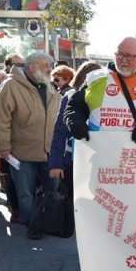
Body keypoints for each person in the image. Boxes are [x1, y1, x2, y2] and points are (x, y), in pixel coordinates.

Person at [0, 52, 60, 240]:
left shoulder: (48, 84)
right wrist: (4, 147)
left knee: (53, 189)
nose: (50, 68)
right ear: (32, 67)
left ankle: (48, 221)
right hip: (21, 153)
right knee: (25, 193)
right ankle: (32, 225)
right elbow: (1, 119)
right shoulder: (10, 86)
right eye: (47, 65)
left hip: (48, 151)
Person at [64, 37, 136, 144]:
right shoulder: (95, 78)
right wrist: (75, 123)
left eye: (129, 56)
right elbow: (74, 107)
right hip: (99, 153)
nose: (124, 60)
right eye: (120, 55)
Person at [49, 61, 102, 204]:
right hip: (74, 161)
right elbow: (60, 131)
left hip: (99, 161)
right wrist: (56, 164)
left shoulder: (107, 98)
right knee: (77, 204)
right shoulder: (71, 95)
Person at [0, 53, 24, 221]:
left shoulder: (27, 82)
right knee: (10, 177)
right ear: (8, 66)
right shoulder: (0, 83)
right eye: (17, 64)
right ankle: (16, 209)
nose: (21, 67)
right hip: (4, 138)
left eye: (23, 64)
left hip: (23, 139)